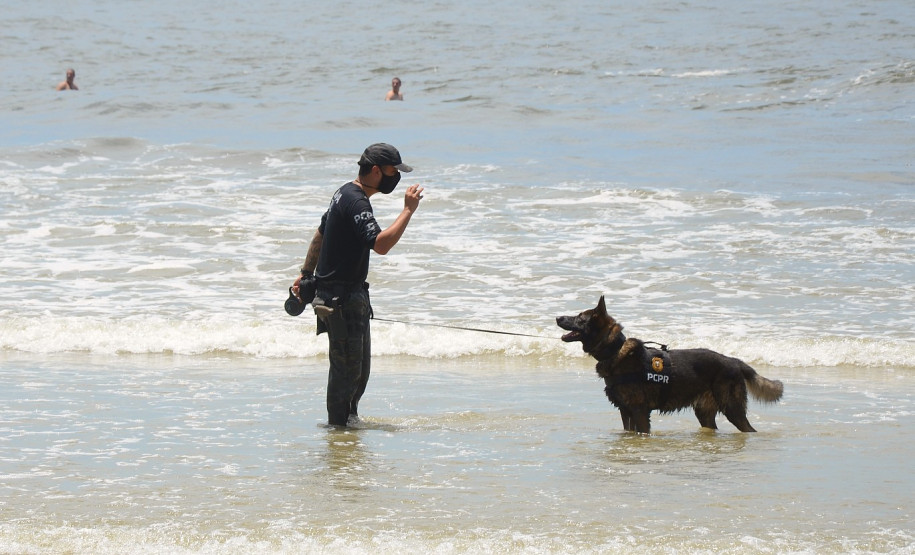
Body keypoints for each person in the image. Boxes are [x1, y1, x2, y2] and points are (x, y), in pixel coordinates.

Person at [293, 143, 424, 427]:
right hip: (341, 300)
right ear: (376, 171)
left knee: (359, 372)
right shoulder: (356, 201)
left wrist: (305, 273)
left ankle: (347, 428)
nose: (395, 177)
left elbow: (320, 233)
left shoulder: (343, 192)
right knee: (346, 372)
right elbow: (380, 245)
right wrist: (408, 211)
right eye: (393, 171)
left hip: (345, 296)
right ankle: (337, 432)